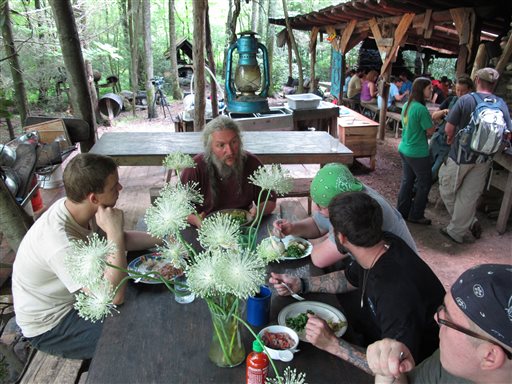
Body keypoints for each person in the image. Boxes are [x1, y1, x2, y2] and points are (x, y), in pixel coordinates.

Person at [270, 192, 445, 372]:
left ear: (342, 238)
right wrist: (301, 284)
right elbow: (348, 278)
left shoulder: (395, 292)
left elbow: (396, 368)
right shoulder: (380, 244)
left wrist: (333, 344)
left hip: (418, 368)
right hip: (378, 339)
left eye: (332, 230)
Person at [12, 153, 161, 359]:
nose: (120, 189)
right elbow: (113, 297)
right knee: (137, 335)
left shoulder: (79, 209)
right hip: (52, 326)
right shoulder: (59, 242)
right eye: (114, 186)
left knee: (149, 297)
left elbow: (120, 240)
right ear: (93, 197)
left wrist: (162, 239)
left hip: (79, 297)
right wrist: (114, 232)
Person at [367, 263, 512, 384]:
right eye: (443, 307)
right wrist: (389, 372)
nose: (436, 317)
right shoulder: (453, 367)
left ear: (489, 357)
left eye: (447, 320)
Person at [273, 163, 417, 269]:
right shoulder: (350, 190)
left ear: (337, 204)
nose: (316, 209)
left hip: (398, 273)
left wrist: (302, 245)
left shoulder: (357, 212)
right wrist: (292, 228)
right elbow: (318, 225)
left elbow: (319, 259)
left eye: (321, 206)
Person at [438, 68, 511, 244]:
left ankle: (465, 224)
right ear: (494, 84)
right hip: (484, 160)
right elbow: (508, 133)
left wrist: (450, 138)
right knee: (468, 197)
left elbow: (449, 129)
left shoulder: (466, 100)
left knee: (446, 188)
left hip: (460, 157)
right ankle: (459, 229)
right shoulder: (501, 104)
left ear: (476, 79)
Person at [180, 115, 276, 227]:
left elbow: (270, 201)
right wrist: (196, 220)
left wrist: (258, 211)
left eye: (234, 142)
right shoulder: (194, 168)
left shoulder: (252, 163)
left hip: (244, 227)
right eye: (221, 145)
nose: (230, 151)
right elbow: (179, 209)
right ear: (210, 147)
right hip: (205, 229)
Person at [397, 77, 435, 225]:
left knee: (407, 181)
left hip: (405, 148)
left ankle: (401, 211)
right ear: (421, 90)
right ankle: (416, 214)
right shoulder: (421, 108)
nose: (431, 91)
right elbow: (430, 130)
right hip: (418, 153)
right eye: (429, 88)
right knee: (425, 183)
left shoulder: (408, 104)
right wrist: (435, 123)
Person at [429, 75, 474, 181]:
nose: (460, 93)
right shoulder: (450, 100)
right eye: (458, 90)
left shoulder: (471, 106)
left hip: (450, 144)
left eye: (463, 91)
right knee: (425, 165)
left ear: (470, 90)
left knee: (435, 171)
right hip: (438, 137)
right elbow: (434, 116)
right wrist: (444, 111)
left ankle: (420, 190)